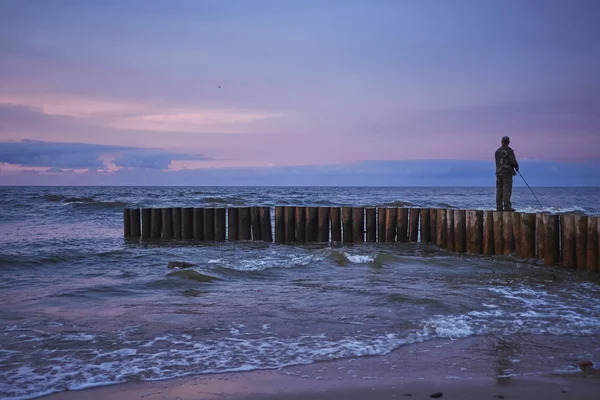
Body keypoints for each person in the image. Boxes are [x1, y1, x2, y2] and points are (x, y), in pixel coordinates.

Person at [495, 136, 519, 211]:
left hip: (499, 173)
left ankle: (499, 207)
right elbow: (513, 161)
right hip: (507, 174)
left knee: (499, 190)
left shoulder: (497, 151)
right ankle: (507, 207)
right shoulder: (509, 151)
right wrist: (516, 167)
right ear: (508, 142)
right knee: (507, 190)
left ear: (501, 142)